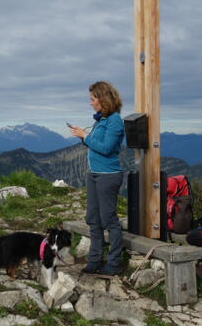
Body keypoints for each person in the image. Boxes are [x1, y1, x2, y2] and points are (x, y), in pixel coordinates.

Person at [69, 81, 125, 275]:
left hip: (108, 176)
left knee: (108, 219)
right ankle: (94, 260)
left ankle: (114, 262)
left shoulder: (115, 120)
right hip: (94, 174)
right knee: (93, 218)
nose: (90, 103)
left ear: (103, 99)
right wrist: (83, 137)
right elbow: (96, 145)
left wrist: (85, 136)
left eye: (92, 99)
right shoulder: (101, 119)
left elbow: (107, 148)